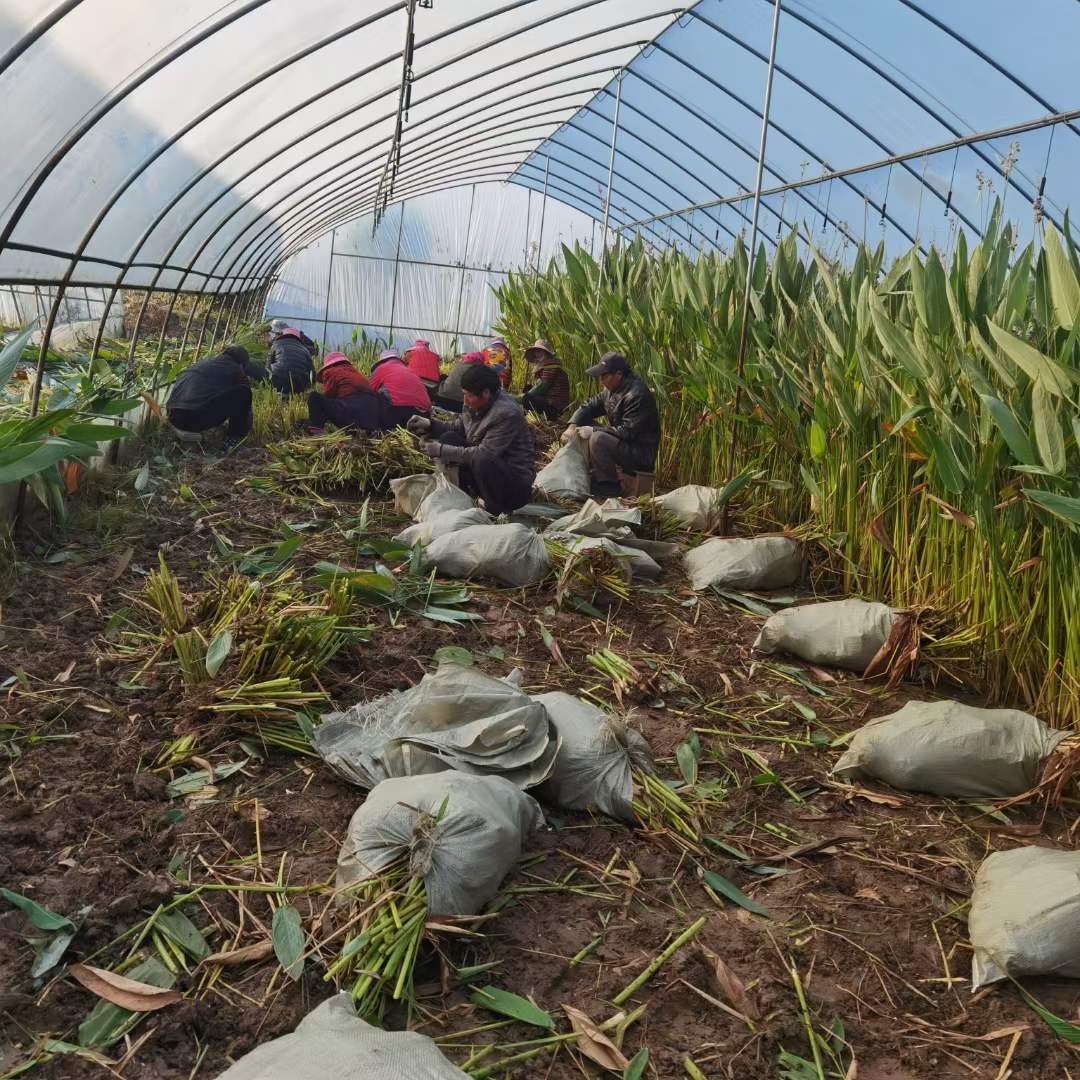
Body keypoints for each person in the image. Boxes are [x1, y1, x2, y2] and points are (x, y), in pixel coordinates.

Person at [409, 363, 535, 515]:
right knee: (449, 437)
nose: (465, 400)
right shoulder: (474, 403)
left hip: (512, 485)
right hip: (485, 473)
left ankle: (495, 508)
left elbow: (483, 453)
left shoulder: (507, 414)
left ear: (486, 393)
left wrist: (440, 450)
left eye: (469, 395)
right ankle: (465, 497)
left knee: (482, 458)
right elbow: (459, 427)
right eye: (464, 394)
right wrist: (430, 425)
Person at [564, 351, 660, 497]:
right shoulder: (611, 390)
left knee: (598, 439)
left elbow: (628, 431)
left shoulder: (636, 395)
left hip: (639, 453)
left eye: (604, 376)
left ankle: (609, 487)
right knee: (583, 426)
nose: (601, 380)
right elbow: (589, 406)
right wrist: (572, 426)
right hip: (624, 444)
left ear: (619, 374)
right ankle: (594, 474)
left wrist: (593, 430)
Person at [166, 344, 257, 448]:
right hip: (192, 418)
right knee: (244, 392)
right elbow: (244, 404)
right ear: (242, 364)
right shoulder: (236, 369)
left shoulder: (203, 362)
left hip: (172, 415)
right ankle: (233, 440)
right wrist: (244, 427)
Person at [305, 352, 382, 434]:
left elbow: (328, 396)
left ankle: (316, 430)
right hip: (372, 418)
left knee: (314, 397)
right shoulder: (357, 374)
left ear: (328, 365)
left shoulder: (329, 371)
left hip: (351, 413)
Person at [369, 348, 432, 429]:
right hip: (423, 416)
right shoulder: (409, 371)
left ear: (382, 361)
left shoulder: (381, 369)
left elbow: (368, 392)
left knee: (376, 396)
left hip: (398, 415)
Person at [520, 339, 570, 420]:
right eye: (536, 352)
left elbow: (542, 386)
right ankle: (530, 416)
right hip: (549, 399)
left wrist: (522, 397)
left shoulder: (551, 366)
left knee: (527, 399)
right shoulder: (547, 365)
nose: (537, 354)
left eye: (540, 351)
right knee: (528, 389)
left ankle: (549, 417)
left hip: (555, 405)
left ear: (547, 353)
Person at [269, 325, 315, 395]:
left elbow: (267, 366)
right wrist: (309, 386)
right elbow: (312, 371)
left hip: (278, 381)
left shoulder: (276, 344)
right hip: (300, 384)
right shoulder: (305, 349)